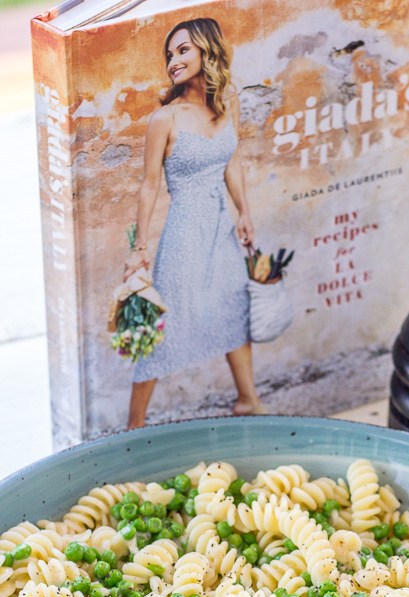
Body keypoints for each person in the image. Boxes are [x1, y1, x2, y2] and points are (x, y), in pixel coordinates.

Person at [123, 17, 264, 428]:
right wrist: (139, 248)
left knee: (232, 307)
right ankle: (134, 426)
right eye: (170, 54)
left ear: (207, 50)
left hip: (221, 232)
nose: (173, 61)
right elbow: (149, 187)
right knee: (164, 324)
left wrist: (245, 212)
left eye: (182, 50)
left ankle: (248, 400)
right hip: (184, 234)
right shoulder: (164, 119)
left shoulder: (226, 105)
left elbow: (231, 161)